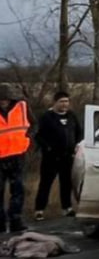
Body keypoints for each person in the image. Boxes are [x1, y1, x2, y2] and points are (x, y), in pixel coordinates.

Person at [34, 90, 83, 220]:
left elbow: (79, 132)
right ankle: (39, 210)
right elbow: (38, 136)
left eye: (66, 101)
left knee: (66, 183)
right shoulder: (47, 117)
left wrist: (77, 145)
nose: (64, 104)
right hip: (51, 158)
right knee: (46, 183)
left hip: (67, 157)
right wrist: (48, 148)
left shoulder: (72, 116)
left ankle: (67, 208)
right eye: (61, 101)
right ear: (55, 102)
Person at [0, 84, 32, 234]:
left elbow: (33, 125)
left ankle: (15, 221)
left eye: (6, 99)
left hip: (17, 156)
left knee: (18, 191)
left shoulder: (22, 107)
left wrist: (28, 141)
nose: (3, 102)